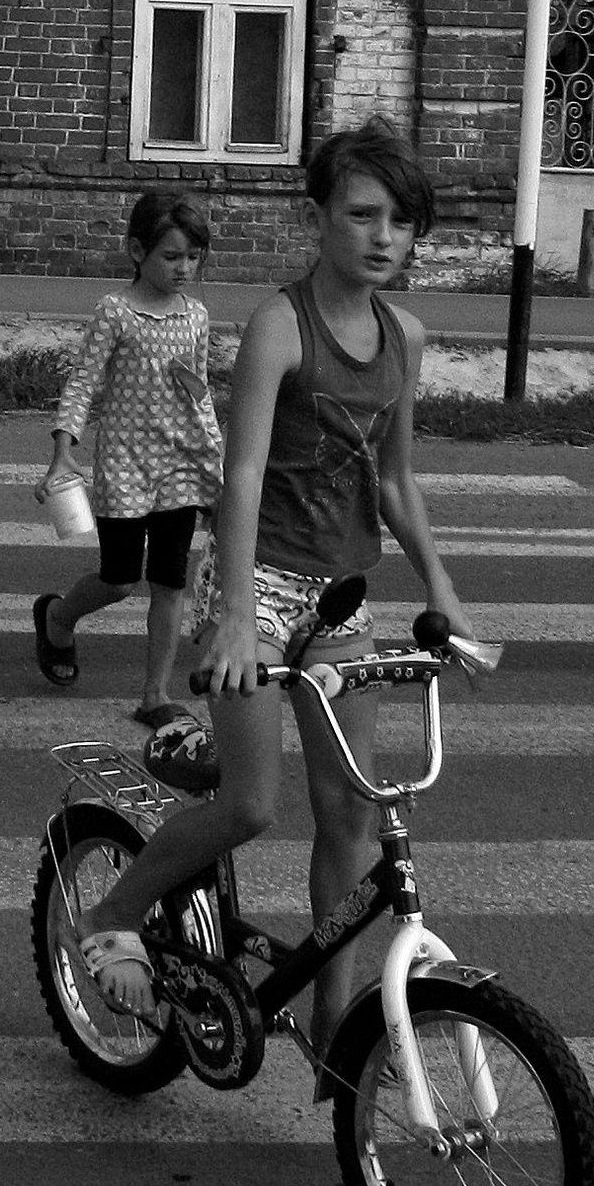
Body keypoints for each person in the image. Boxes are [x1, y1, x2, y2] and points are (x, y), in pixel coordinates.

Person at [68, 121, 473, 1070]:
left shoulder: (405, 337)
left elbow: (395, 483)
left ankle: (334, 1025)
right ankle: (115, 913)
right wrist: (241, 615)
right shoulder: (281, 325)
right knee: (253, 807)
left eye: (401, 222)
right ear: (320, 216)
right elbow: (240, 477)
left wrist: (447, 593)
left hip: (339, 600)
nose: (383, 237)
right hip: (254, 582)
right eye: (362, 214)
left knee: (355, 820)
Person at [32, 191, 225, 730]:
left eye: (193, 257)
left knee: (170, 581)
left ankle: (154, 694)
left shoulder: (197, 316)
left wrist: (217, 471)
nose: (184, 267)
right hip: (123, 466)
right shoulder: (114, 312)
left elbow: (199, 394)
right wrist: (62, 451)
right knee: (119, 579)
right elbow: (83, 383)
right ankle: (57, 617)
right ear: (137, 251)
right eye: (172, 256)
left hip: (181, 467)